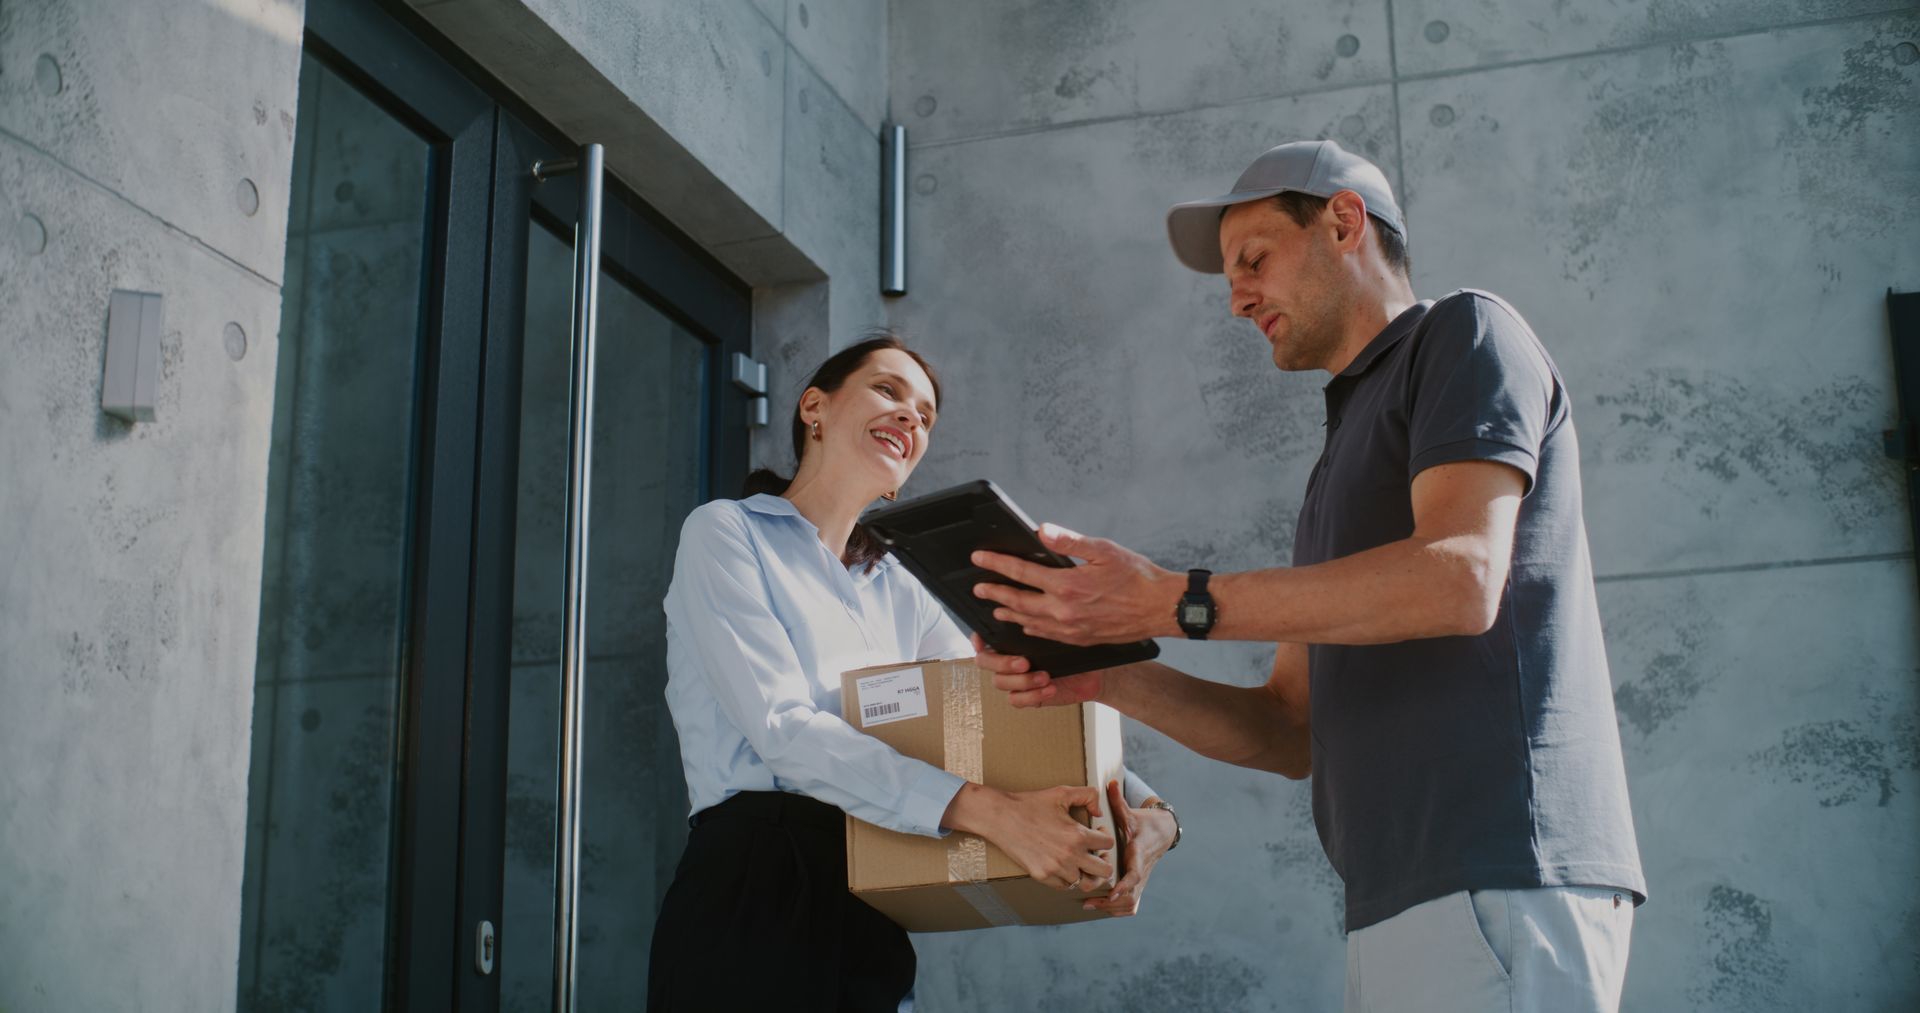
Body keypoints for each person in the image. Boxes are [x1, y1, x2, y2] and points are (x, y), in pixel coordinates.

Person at [967, 141, 1647, 1013]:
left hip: (1501, 869)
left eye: (1254, 260)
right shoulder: (1336, 466)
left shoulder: (1465, 333)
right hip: (1398, 900)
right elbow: (1291, 728)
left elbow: (1462, 578)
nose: (1238, 296)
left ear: (1344, 222)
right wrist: (1106, 671)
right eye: (1230, 278)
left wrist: (1169, 597)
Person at [647, 333, 1180, 1012]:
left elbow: (1015, 698)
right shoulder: (725, 533)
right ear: (815, 407)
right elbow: (785, 730)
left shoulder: (899, 587)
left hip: (875, 881)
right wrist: (994, 814)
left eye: (925, 415)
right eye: (888, 390)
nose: (910, 417)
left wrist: (1148, 812)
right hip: (755, 881)